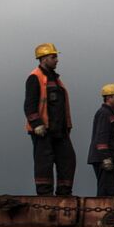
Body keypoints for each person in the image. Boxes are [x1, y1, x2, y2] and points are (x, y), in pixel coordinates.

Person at [23, 42, 74, 195]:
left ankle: (64, 193)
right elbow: (29, 104)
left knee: (68, 160)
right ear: (43, 58)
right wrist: (36, 123)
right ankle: (45, 195)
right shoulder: (35, 78)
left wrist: (67, 127)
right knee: (44, 163)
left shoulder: (56, 80)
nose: (57, 59)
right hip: (43, 131)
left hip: (59, 131)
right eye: (53, 57)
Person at [90, 83, 114, 197]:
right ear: (109, 97)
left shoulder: (111, 114)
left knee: (112, 188)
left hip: (107, 159)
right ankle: (103, 213)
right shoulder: (104, 114)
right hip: (104, 160)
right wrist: (105, 158)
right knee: (108, 190)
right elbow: (101, 137)